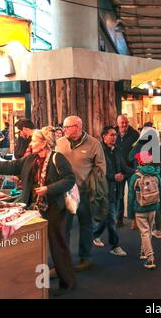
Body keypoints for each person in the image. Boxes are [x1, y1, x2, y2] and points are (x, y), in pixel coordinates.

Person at [0, 127, 77, 297]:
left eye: (34, 140)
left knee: (58, 245)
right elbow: (8, 166)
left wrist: (49, 189)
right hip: (33, 208)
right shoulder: (31, 159)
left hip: (54, 209)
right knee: (36, 246)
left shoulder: (58, 158)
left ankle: (68, 282)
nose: (30, 143)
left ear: (44, 143)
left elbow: (70, 179)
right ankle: (34, 283)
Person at [56, 116, 106, 272]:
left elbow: (101, 168)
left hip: (84, 192)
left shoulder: (94, 144)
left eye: (67, 127)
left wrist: (92, 184)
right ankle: (63, 260)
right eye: (63, 127)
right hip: (65, 192)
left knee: (86, 226)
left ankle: (86, 258)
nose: (64, 130)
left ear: (77, 127)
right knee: (64, 227)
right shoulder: (60, 143)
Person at [93, 126, 135, 255]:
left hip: (116, 189)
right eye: (111, 135)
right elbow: (97, 171)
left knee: (107, 217)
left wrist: (136, 171)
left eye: (115, 135)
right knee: (111, 219)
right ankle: (115, 246)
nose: (114, 137)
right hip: (104, 189)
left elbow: (122, 166)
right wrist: (113, 177)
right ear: (104, 136)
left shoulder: (117, 149)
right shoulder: (99, 150)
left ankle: (94, 234)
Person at [127, 151, 161, 269]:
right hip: (153, 207)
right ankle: (143, 252)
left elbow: (130, 197)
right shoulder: (156, 175)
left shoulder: (135, 177)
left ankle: (150, 259)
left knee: (144, 232)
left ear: (139, 162)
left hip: (140, 209)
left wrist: (130, 213)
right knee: (148, 231)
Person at [129, 126, 161, 238]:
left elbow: (130, 157)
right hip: (157, 176)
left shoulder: (139, 145)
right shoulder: (156, 146)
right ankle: (158, 229)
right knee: (157, 200)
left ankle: (143, 228)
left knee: (141, 200)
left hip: (143, 178)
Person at [115, 115, 139, 227]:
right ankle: (119, 219)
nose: (124, 125)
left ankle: (134, 219)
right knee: (119, 195)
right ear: (117, 123)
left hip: (131, 169)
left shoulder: (135, 134)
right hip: (119, 169)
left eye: (126, 122)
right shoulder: (113, 133)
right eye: (122, 123)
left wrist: (136, 169)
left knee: (132, 195)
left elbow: (137, 153)